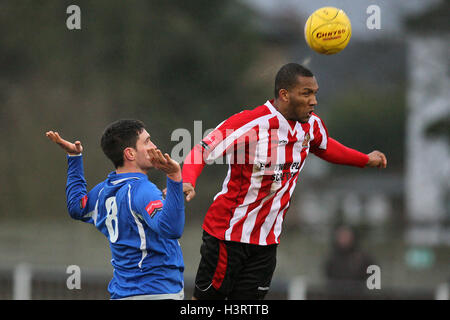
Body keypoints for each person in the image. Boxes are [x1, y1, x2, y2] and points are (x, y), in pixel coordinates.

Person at [181, 63, 387, 300]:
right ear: (284, 94)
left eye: (315, 93)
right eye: (306, 93)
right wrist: (188, 180)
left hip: (267, 241)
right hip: (227, 235)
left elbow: (326, 146)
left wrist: (364, 160)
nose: (314, 101)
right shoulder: (251, 123)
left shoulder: (311, 125)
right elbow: (202, 149)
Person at [46, 119, 185, 300]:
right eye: (147, 141)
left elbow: (76, 207)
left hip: (122, 293)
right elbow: (171, 228)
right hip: (157, 291)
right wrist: (174, 177)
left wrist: (74, 158)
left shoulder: (104, 190)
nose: (154, 146)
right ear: (130, 154)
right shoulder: (142, 190)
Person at [323, 225, 376, 299]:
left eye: (346, 236)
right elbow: (328, 274)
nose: (344, 239)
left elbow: (372, 272)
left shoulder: (362, 257)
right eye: (341, 236)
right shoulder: (332, 258)